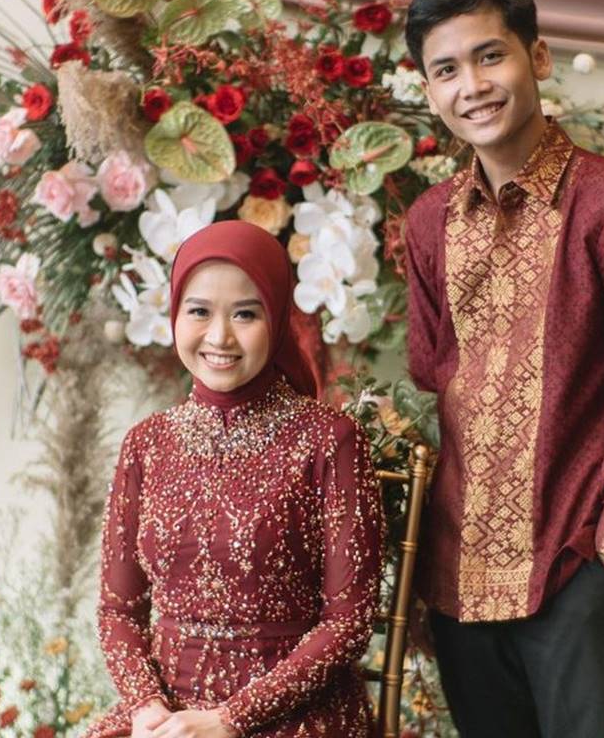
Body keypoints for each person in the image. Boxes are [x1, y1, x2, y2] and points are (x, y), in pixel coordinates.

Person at [401, 0, 604, 737]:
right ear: (428, 90)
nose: (472, 86)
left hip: (572, 565)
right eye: (446, 70)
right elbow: (428, 381)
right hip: (458, 579)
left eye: (490, 56)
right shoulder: (427, 222)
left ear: (539, 56)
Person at [83, 220, 383, 738]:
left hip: (294, 715)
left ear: (278, 318)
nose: (219, 336)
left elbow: (348, 622)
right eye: (199, 311)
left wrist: (230, 720)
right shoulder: (147, 443)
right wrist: (149, 711)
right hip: (167, 715)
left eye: (245, 313)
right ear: (175, 314)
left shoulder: (329, 440)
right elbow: (118, 611)